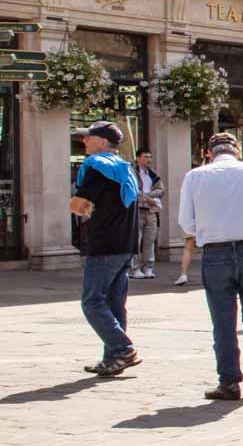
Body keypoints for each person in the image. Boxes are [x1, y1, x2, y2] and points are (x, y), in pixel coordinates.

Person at [178, 132, 243, 400]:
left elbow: (186, 222)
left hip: (216, 252)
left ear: (210, 153)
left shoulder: (195, 176)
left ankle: (229, 381)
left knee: (223, 322)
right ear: (237, 150)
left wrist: (209, 228)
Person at [71, 121, 143, 377]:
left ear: (102, 142)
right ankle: (113, 359)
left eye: (88, 138)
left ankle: (122, 348)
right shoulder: (125, 168)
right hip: (125, 244)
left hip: (103, 244)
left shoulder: (97, 167)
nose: (84, 142)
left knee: (92, 302)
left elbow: (78, 205)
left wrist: (81, 208)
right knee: (114, 303)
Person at [129, 148, 165, 279]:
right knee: (136, 240)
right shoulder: (131, 172)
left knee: (150, 240)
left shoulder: (153, 173)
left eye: (150, 157)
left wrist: (148, 197)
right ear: (138, 158)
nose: (148, 159)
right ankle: (134, 269)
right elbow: (132, 190)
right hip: (137, 210)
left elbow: (161, 189)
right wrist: (147, 198)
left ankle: (148, 267)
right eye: (145, 157)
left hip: (151, 210)